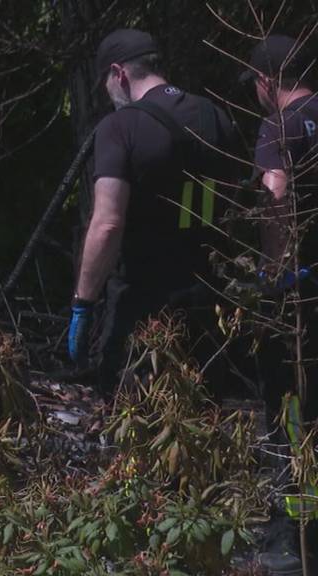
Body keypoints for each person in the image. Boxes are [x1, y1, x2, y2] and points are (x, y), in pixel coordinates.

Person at [68, 29, 235, 394]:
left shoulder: (120, 127)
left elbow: (108, 223)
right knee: (203, 421)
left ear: (119, 74)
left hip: (142, 306)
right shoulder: (215, 117)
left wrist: (83, 304)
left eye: (105, 84)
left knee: (134, 424)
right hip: (208, 302)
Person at [241, 33, 318, 572]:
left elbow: (274, 192)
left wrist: (275, 276)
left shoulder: (280, 126)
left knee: (288, 408)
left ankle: (291, 533)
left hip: (301, 295)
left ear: (268, 82)